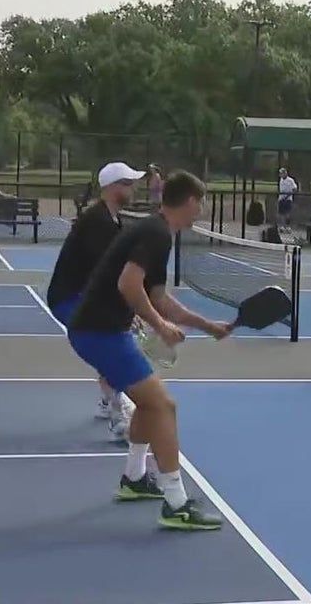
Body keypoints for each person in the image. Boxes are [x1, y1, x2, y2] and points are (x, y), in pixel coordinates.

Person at [67, 170, 232, 529]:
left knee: (148, 403)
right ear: (190, 201)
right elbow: (128, 284)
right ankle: (176, 503)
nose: (201, 210)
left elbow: (158, 297)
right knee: (162, 406)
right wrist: (159, 326)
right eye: (201, 203)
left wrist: (206, 325)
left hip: (102, 330)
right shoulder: (156, 234)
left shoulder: (157, 232)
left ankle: (135, 478)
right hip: (99, 332)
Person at [46, 161, 147, 440]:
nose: (135, 189)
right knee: (108, 344)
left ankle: (107, 400)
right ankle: (118, 416)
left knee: (108, 344)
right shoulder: (98, 223)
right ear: (113, 187)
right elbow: (105, 275)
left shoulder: (111, 220)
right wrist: (127, 309)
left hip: (81, 297)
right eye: (129, 184)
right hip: (70, 298)